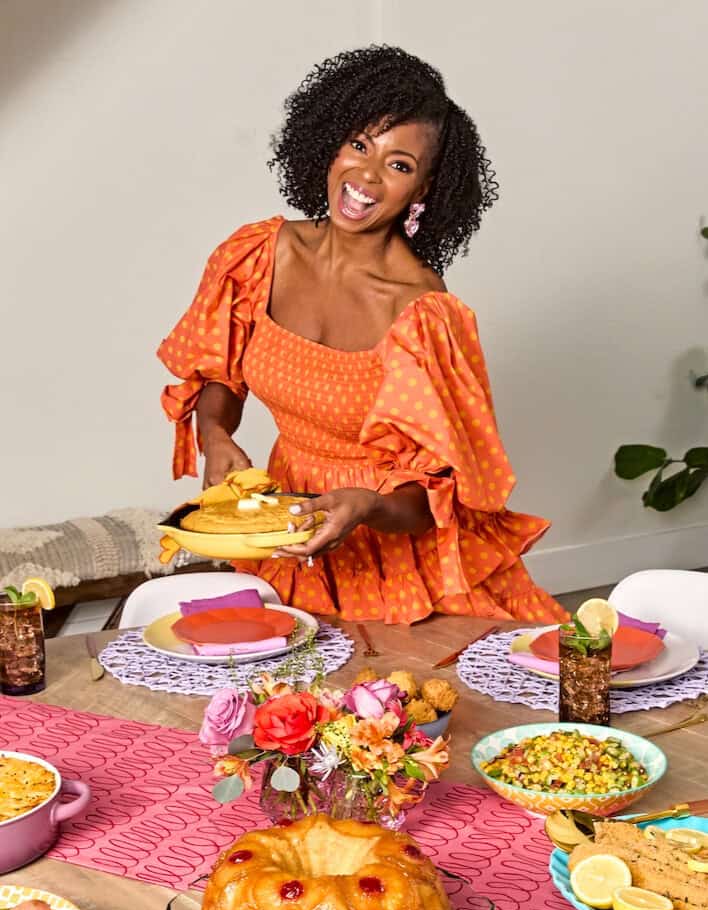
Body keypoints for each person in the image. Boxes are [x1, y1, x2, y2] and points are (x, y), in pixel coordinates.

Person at [157, 45, 567, 626]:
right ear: (331, 142)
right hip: (288, 531)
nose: (367, 177)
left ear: (424, 191)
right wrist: (216, 433)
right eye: (359, 145)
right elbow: (217, 368)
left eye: (399, 166)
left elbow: (438, 498)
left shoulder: (422, 314)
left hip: (398, 562)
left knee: (400, 712)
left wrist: (368, 505)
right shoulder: (257, 254)